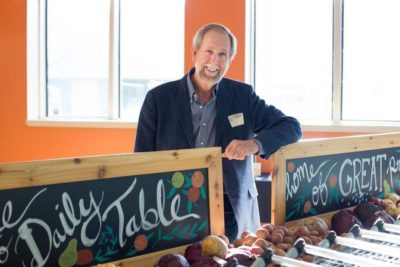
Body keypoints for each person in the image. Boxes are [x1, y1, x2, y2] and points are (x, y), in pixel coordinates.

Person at [134, 23, 302, 241]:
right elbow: (141, 162)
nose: (215, 61)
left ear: (230, 60)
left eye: (223, 54)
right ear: (195, 52)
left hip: (231, 208)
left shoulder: (243, 95)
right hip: (172, 208)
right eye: (209, 52)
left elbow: (291, 126)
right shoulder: (158, 99)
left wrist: (254, 145)